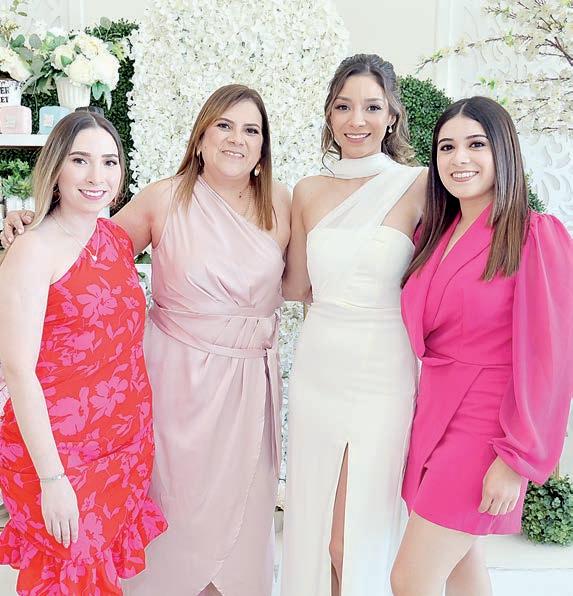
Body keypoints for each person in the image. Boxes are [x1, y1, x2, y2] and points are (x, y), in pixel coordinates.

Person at [1, 84, 290, 596]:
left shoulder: (280, 203)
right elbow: (25, 351)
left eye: (251, 130)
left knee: (118, 561)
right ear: (200, 137)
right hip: (116, 418)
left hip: (143, 427)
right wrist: (28, 224)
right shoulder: (157, 201)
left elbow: (94, 253)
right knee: (83, 567)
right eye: (224, 125)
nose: (237, 139)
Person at [391, 96, 573, 596]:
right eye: (446, 147)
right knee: (460, 567)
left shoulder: (535, 235)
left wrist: (516, 458)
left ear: (503, 152)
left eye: (476, 144)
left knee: (411, 577)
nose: (459, 159)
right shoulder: (434, 233)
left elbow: (551, 360)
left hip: (487, 426)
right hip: (434, 413)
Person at [0, 112, 167, 595]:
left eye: (109, 162)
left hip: (123, 443)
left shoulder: (114, 238)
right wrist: (52, 479)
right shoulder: (32, 250)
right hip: (59, 453)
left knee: (100, 576)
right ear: (56, 166)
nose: (97, 176)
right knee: (68, 576)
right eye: (80, 160)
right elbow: (18, 371)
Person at [280, 54, 427, 596]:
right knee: (316, 530)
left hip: (383, 367)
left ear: (392, 115)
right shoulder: (306, 190)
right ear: (329, 114)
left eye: (371, 107)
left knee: (353, 537)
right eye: (343, 107)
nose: (357, 120)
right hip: (319, 366)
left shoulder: (419, 185)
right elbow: (295, 286)